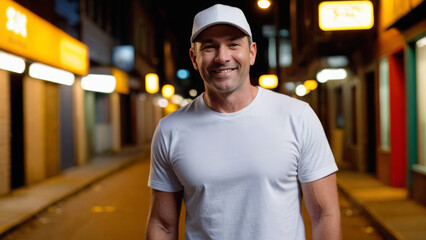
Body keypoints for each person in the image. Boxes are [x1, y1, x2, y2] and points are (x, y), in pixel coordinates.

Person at [146, 3, 341, 240]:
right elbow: (163, 225)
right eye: (209, 47)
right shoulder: (170, 130)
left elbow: (325, 214)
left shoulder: (298, 116)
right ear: (194, 58)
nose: (222, 57)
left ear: (252, 52)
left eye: (233, 44)